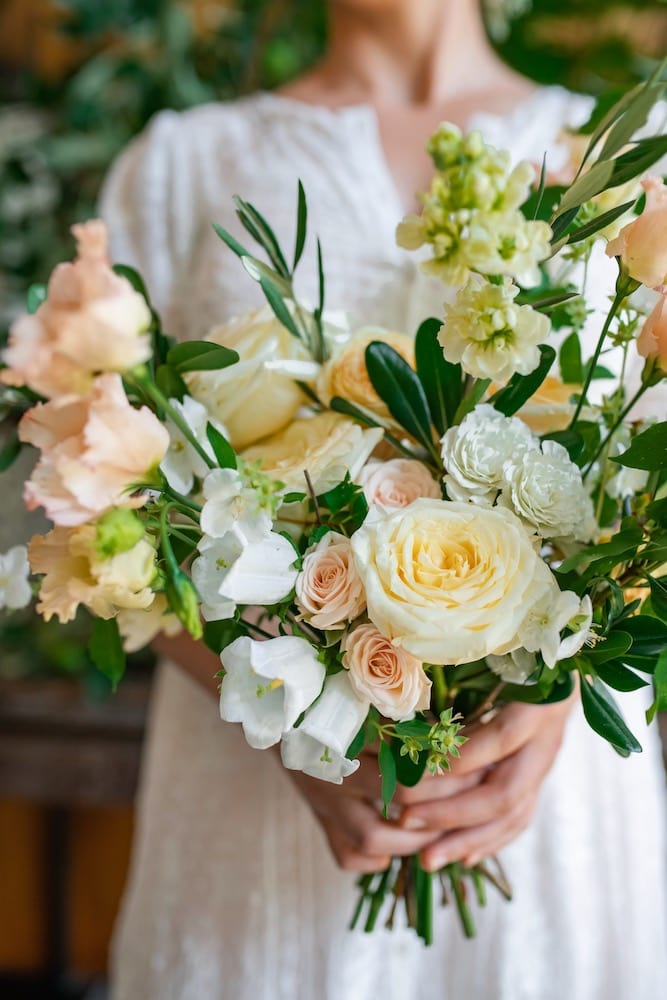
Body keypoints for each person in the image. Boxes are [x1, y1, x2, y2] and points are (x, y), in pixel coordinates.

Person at [100, 2, 667, 997]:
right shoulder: (181, 167)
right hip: (255, 784)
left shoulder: (619, 160)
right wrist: (291, 715)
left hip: (543, 799)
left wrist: (557, 688)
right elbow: (95, 509)